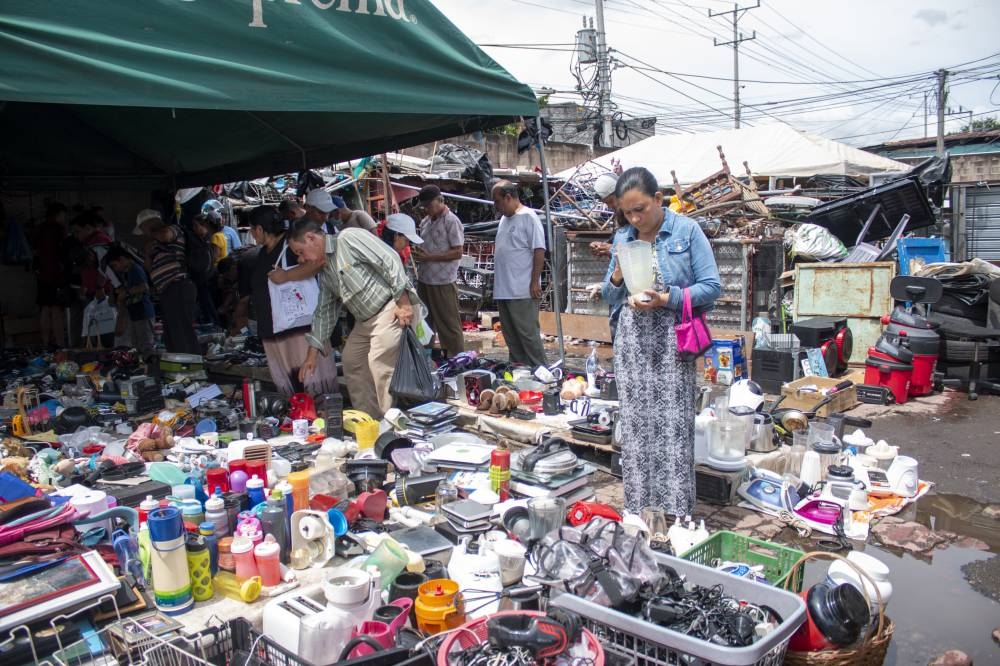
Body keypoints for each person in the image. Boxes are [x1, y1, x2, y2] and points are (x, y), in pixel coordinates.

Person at [601, 167, 721, 516]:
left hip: (673, 338)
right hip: (633, 339)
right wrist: (619, 270)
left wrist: (667, 298)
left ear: (658, 199)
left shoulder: (686, 231)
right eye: (628, 213)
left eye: (641, 209)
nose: (636, 218)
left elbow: (712, 286)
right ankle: (639, 510)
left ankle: (675, 514)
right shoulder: (624, 238)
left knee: (672, 425)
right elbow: (610, 294)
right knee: (636, 426)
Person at [288, 218, 419, 419]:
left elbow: (389, 258)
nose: (301, 259)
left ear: (311, 238)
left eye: (300, 252)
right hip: (365, 321)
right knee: (351, 360)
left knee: (379, 361)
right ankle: (369, 420)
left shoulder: (348, 238)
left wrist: (403, 302)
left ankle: (390, 421)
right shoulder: (325, 271)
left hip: (390, 306)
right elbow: (325, 312)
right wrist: (312, 353)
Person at [246, 206, 338, 397]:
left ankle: (321, 417)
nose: (252, 234)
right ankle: (299, 416)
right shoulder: (264, 252)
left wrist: (286, 276)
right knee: (288, 378)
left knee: (310, 375)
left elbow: (317, 264)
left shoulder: (290, 246)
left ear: (260, 229)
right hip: (274, 328)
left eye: (252, 229)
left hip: (299, 327)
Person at [490, 180, 547, 368]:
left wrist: (534, 282)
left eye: (497, 201)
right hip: (504, 289)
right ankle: (520, 374)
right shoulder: (504, 220)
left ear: (508, 197)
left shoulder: (529, 217)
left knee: (528, 336)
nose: (496, 207)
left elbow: (539, 249)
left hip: (522, 289)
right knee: (511, 338)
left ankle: (542, 372)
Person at [134, 209, 201, 354]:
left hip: (178, 285)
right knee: (171, 333)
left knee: (182, 330)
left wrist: (152, 232)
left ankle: (190, 365)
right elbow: (149, 267)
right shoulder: (154, 245)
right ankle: (180, 364)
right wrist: (148, 253)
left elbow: (166, 235)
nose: (144, 234)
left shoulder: (173, 230)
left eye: (144, 229)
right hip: (166, 291)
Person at [413, 185, 465, 358]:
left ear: (440, 201)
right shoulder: (425, 221)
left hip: (443, 282)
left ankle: (456, 360)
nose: (426, 208)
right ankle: (424, 358)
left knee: (448, 325)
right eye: (424, 206)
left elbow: (458, 252)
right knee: (423, 323)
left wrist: (429, 257)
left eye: (429, 204)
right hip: (424, 279)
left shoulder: (451, 221)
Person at [105, 245, 155, 356]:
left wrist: (126, 293)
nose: (115, 268)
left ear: (122, 259)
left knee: (145, 344)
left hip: (143, 312)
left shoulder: (135, 269)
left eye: (115, 265)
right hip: (135, 313)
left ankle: (149, 365)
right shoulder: (127, 272)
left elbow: (144, 287)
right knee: (136, 345)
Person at [33, 202, 71, 347]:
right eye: (63, 215)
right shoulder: (59, 229)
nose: (64, 218)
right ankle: (60, 343)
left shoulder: (39, 229)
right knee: (56, 309)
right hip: (55, 274)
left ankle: (45, 342)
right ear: (58, 214)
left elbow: (35, 251)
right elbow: (63, 253)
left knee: (44, 308)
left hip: (41, 274)